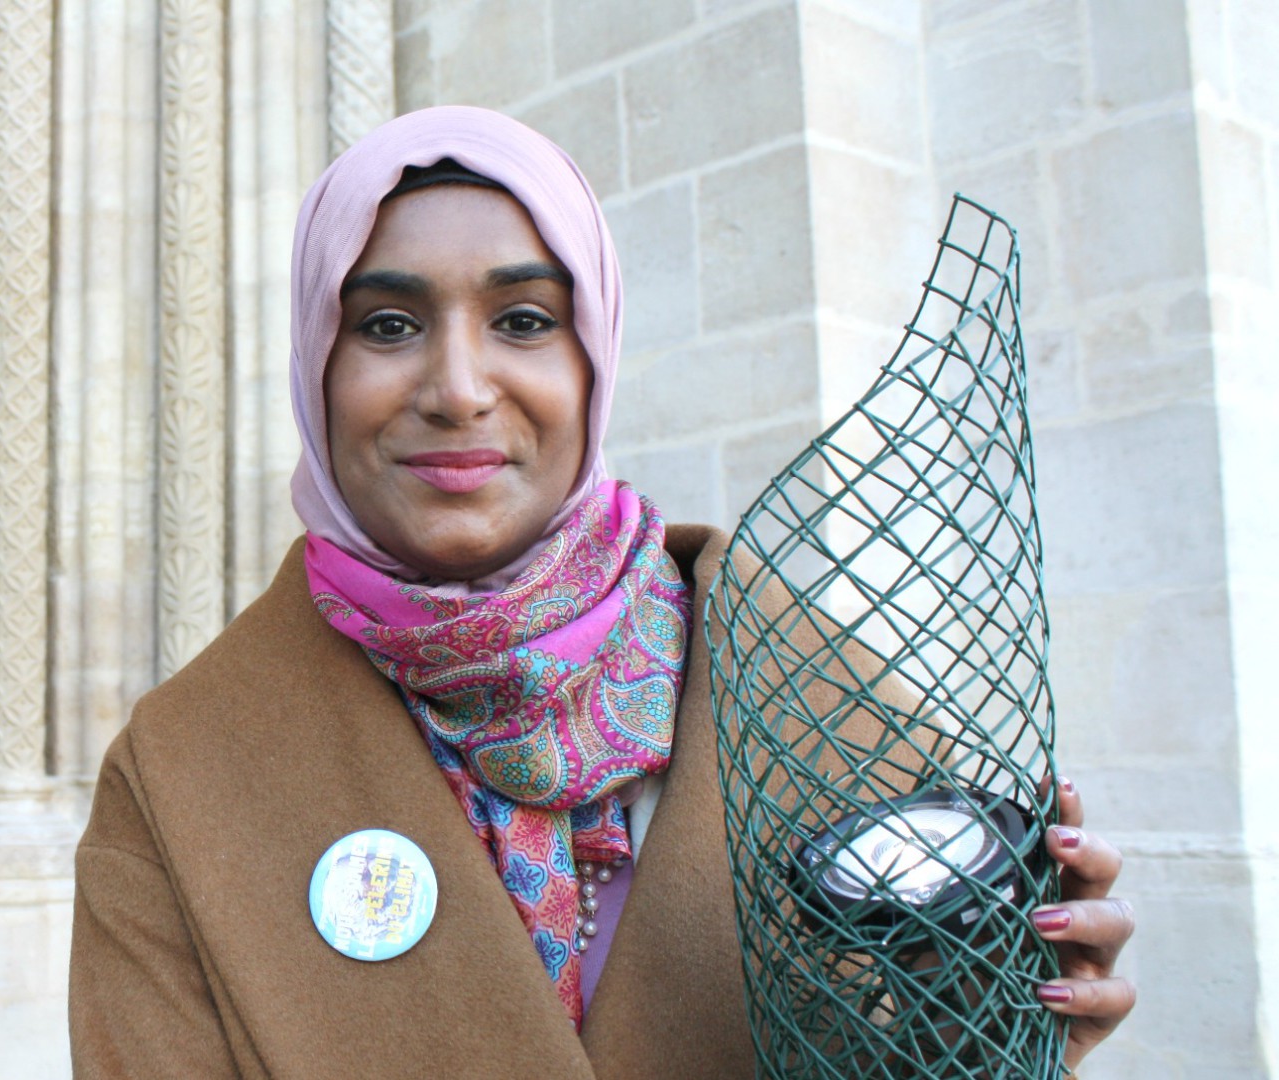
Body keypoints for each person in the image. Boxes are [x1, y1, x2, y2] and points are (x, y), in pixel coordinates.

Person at [69, 106, 1135, 1078]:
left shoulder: (824, 703)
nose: (457, 388)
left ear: (596, 357)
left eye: (524, 319)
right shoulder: (180, 776)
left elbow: (915, 1037)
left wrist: (996, 1030)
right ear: (316, 365)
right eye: (388, 326)